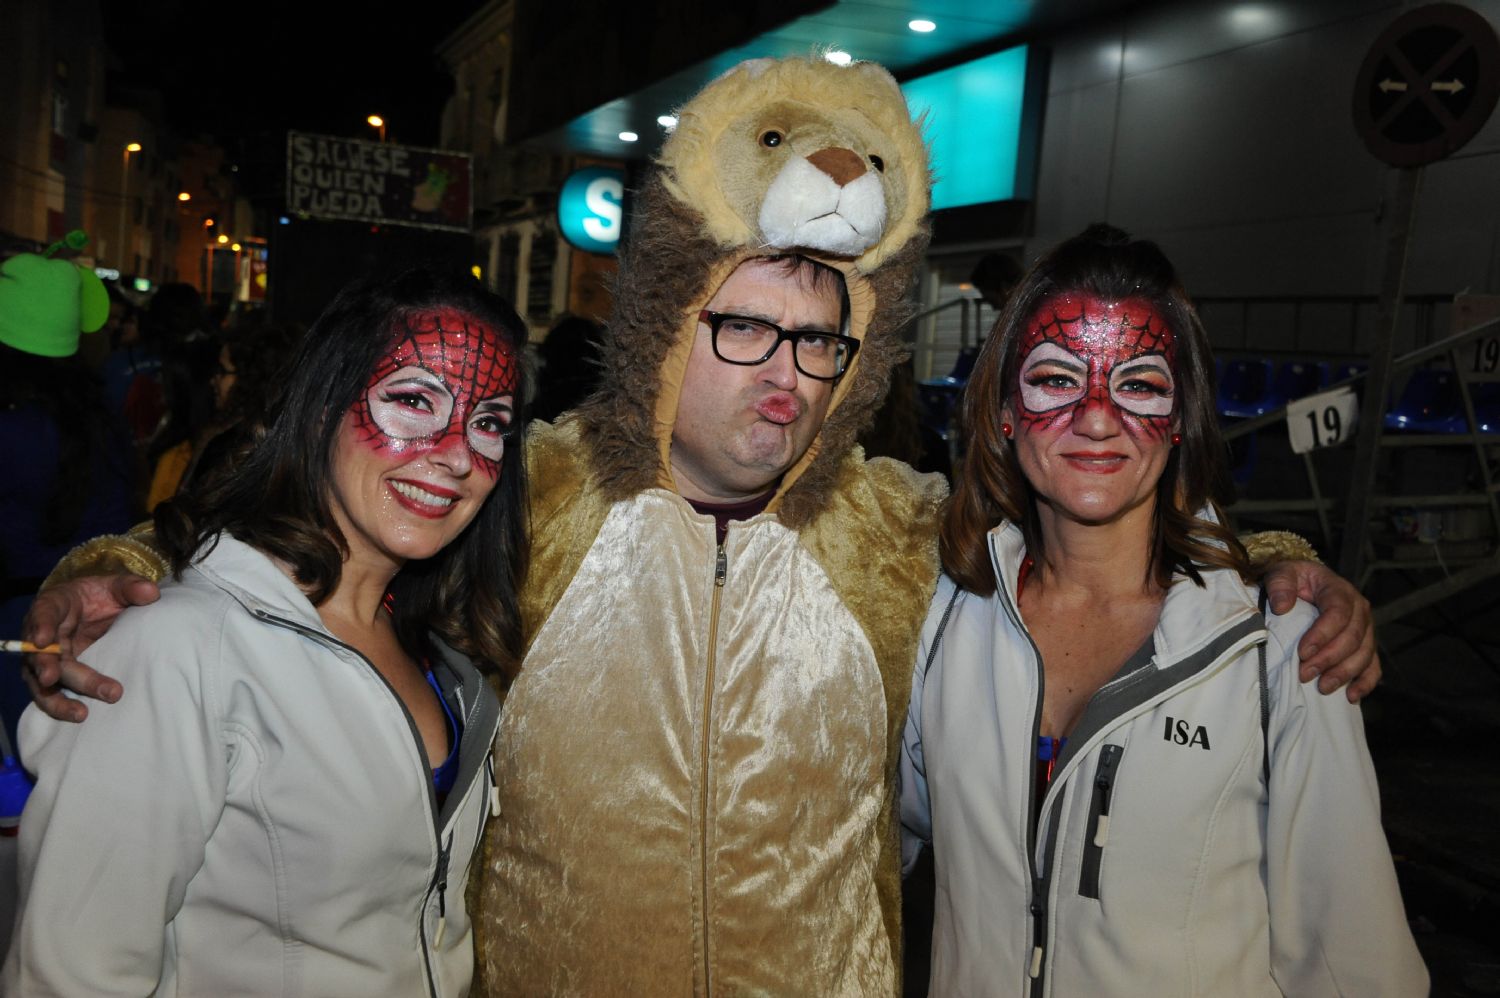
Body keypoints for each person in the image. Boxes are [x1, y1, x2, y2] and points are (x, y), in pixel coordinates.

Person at [22, 58, 1379, 994]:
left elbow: (1098, 510)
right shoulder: (526, 485)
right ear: (672, 319)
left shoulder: (907, 530)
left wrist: (1286, 569)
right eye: (745, 328)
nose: (786, 373)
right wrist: (112, 569)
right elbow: (300, 531)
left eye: (822, 344)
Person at [899, 226, 1426, 995]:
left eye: (1140, 384)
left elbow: (1352, 962)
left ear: (1181, 419)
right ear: (1004, 409)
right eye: (1054, 378)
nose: (1097, 417)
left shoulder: (1281, 646)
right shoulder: (942, 617)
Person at [4, 267, 527, 996]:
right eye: (412, 401)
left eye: (491, 422)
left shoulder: (445, 649)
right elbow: (72, 973)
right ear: (320, 410)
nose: (457, 456)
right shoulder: (178, 648)